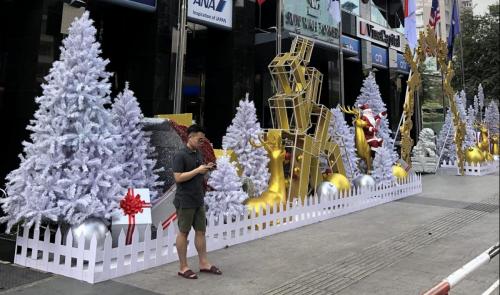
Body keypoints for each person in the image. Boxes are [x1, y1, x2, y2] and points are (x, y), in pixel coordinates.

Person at [172, 124, 222, 279]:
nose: (202, 143)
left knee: (201, 231)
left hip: (198, 199)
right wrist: (197, 171)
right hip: (185, 200)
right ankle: (183, 267)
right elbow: (178, 177)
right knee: (183, 232)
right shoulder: (180, 155)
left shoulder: (198, 153)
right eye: (199, 140)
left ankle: (203, 263)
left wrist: (207, 168)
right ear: (190, 137)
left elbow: (198, 173)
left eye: (203, 140)